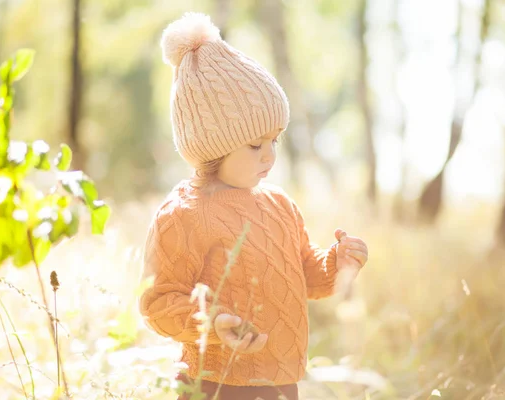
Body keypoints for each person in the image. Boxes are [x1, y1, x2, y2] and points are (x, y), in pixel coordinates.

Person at [138, 12, 369, 400]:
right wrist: (213, 324)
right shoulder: (185, 213)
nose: (269, 156)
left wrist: (337, 262)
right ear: (213, 143)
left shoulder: (279, 205)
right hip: (214, 383)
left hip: (281, 382)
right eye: (255, 145)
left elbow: (306, 275)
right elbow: (159, 302)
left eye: (275, 140)